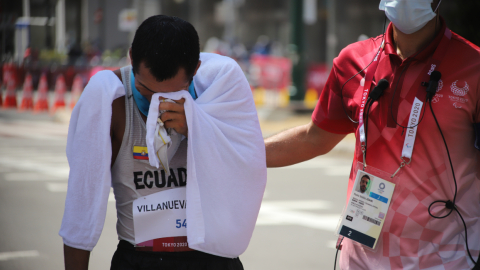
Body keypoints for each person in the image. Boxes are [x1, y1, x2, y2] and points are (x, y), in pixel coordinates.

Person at [265, 0, 480, 269]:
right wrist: (233, 153)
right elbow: (314, 138)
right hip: (359, 259)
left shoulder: (474, 66)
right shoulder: (352, 60)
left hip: (447, 259)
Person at [60, 15, 266, 270]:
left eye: (171, 94)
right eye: (146, 90)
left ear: (196, 70)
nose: (157, 103)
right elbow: (82, 203)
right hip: (141, 258)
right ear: (131, 57)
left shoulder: (218, 94)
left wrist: (199, 128)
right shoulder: (111, 102)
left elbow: (249, 166)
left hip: (213, 258)